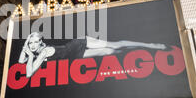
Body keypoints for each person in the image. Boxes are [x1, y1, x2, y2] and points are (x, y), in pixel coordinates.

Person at [19, 31, 168, 78]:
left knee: (114, 45)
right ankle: (139, 50)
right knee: (110, 52)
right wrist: (26, 47)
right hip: (75, 56)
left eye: (34, 42)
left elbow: (29, 74)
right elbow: (20, 63)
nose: (32, 45)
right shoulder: (36, 51)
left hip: (77, 45)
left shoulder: (42, 51)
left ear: (40, 42)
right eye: (30, 43)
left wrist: (30, 56)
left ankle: (150, 45)